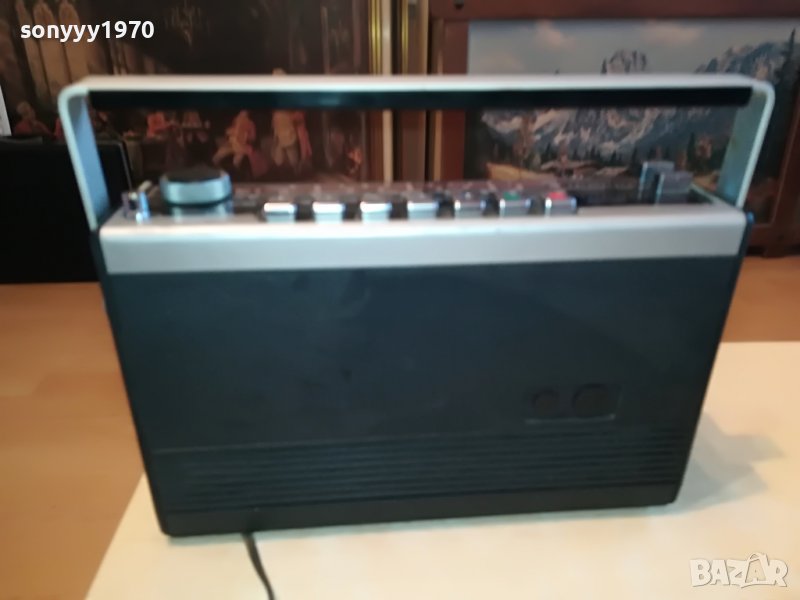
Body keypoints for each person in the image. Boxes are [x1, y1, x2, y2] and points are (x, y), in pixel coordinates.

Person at [270, 68, 312, 173]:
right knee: (278, 158)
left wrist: (293, 117)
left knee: (293, 157)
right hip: (280, 132)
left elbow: (299, 114)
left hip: (289, 132)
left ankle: (298, 169)